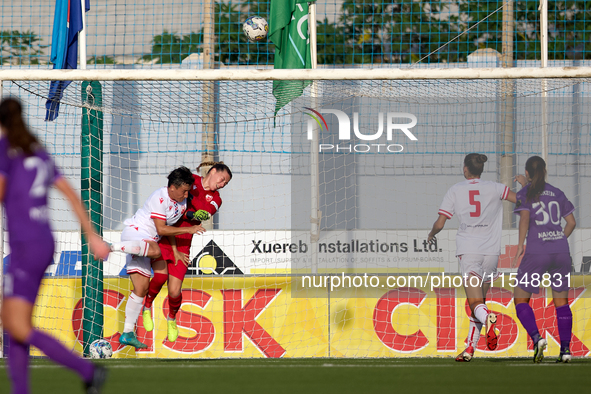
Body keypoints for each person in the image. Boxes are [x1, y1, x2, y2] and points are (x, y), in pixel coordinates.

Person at [0, 97, 111, 394]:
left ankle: (87, 370)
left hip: (26, 245)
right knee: (12, 321)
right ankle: (20, 390)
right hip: (43, 240)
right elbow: (71, 194)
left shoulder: (5, 150)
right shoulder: (37, 151)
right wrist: (91, 235)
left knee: (18, 324)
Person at [427, 153, 516, 362]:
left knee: (475, 302)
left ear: (465, 169)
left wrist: (432, 234)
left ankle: (489, 321)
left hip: (469, 252)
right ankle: (470, 349)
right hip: (492, 254)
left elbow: (440, 223)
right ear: (481, 169)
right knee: (479, 301)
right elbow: (520, 200)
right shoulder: (495, 188)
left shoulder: (455, 190)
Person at [110, 166, 205, 349]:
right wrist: (189, 228)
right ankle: (110, 248)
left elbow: (170, 227)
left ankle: (127, 332)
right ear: (172, 188)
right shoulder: (159, 197)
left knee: (141, 288)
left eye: (188, 191)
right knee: (156, 251)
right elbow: (161, 229)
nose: (186, 195)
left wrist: (176, 249)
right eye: (184, 191)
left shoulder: (181, 202)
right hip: (136, 235)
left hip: (146, 245)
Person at [142, 162, 231, 342]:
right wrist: (188, 213)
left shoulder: (216, 198)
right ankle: (147, 306)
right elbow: (173, 199)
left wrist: (191, 214)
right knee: (159, 278)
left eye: (225, 184)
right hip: (164, 235)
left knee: (174, 291)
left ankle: (172, 319)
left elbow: (203, 215)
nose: (222, 185)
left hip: (183, 242)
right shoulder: (190, 181)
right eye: (222, 180)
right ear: (213, 171)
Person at [511, 156, 575, 363]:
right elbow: (571, 223)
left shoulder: (525, 193)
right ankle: (565, 351)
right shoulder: (557, 193)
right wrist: (557, 239)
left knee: (520, 299)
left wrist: (521, 245)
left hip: (537, 252)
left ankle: (537, 338)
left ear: (527, 173)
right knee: (561, 302)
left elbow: (525, 218)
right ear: (545, 171)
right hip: (561, 252)